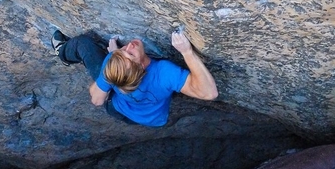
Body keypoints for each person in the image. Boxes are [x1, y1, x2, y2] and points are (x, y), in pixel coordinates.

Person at [51, 29, 218, 127]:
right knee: (169, 86)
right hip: (152, 117)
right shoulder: (163, 73)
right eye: (129, 52)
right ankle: (61, 51)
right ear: (141, 67)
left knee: (84, 45)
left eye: (125, 50)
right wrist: (187, 52)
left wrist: (114, 64)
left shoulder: (112, 64)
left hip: (121, 111)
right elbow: (208, 93)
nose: (130, 45)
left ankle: (64, 53)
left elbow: (97, 100)